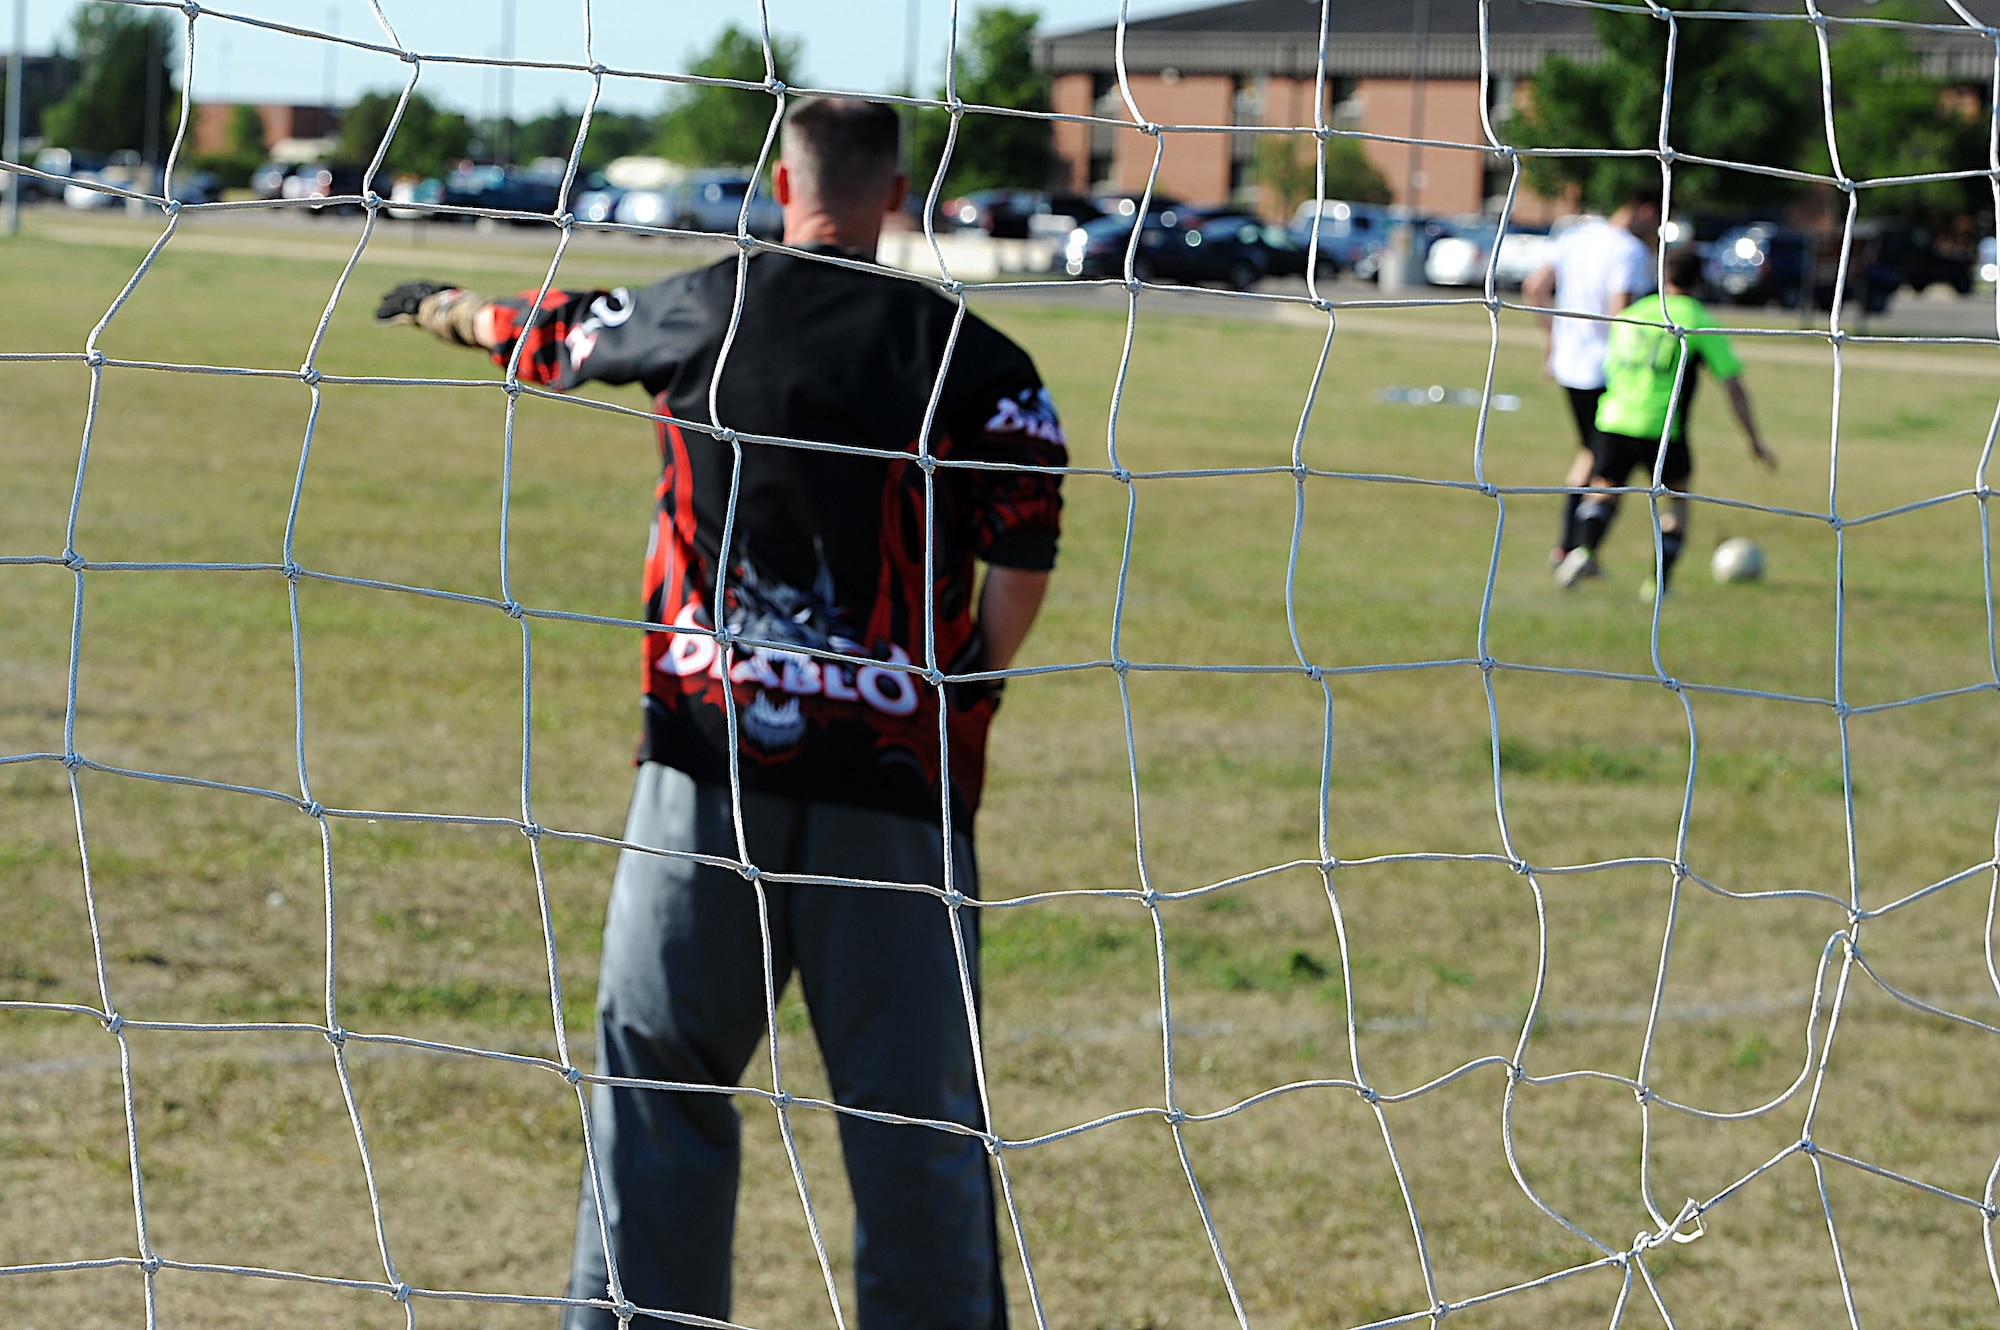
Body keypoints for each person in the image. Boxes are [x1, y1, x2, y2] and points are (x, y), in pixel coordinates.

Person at [376, 97, 1065, 1330]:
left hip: (707, 768)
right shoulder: (978, 358)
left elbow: (552, 337)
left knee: (659, 1083)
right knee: (914, 1121)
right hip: (894, 787)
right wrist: (952, 688)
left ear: (772, 184)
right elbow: (1024, 547)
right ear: (896, 198)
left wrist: (449, 311)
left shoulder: (706, 303)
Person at [1553, 247, 1775, 596]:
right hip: (1663, 426)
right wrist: (1753, 438)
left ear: (1662, 277)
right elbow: (1731, 383)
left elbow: (1611, 366)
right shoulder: (1697, 318)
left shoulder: (1633, 314)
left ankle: (1583, 551)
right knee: (1677, 503)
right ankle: (1657, 584)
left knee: (1604, 491)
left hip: (1615, 419)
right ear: (1700, 280)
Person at [1523, 185, 1662, 576]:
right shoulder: (1630, 251)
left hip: (1569, 367)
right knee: (1605, 467)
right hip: (1609, 373)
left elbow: (1534, 286)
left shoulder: (1574, 236)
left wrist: (1552, 342)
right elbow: (1621, 315)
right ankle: (1574, 551)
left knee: (1589, 454)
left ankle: (1569, 549)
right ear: (1647, 211)